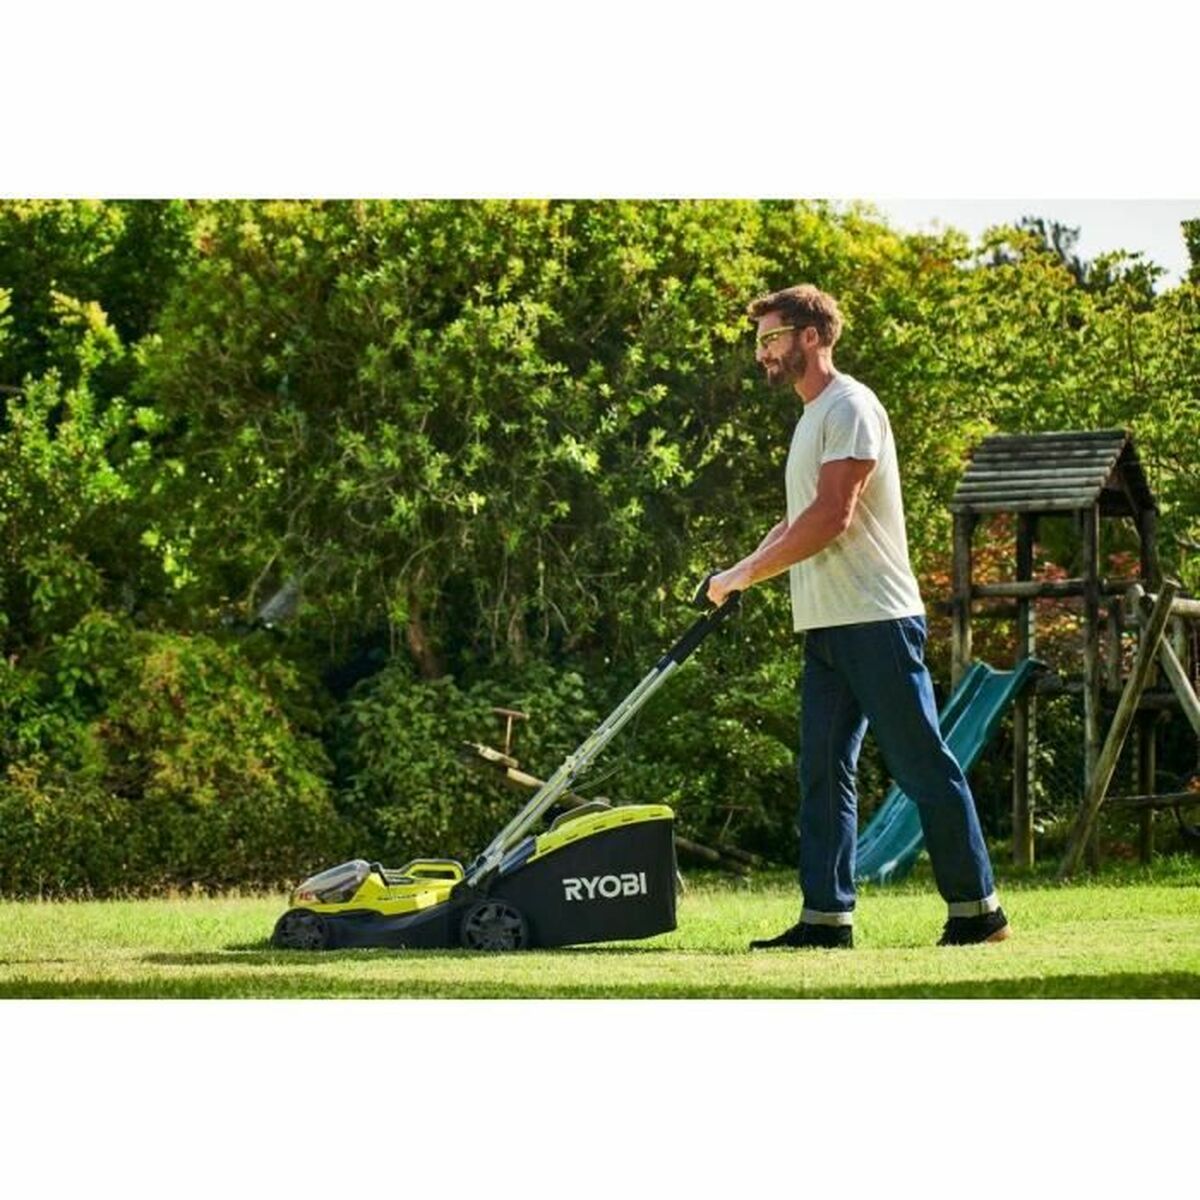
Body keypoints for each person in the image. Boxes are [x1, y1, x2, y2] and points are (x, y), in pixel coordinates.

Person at [705, 284, 1010, 949]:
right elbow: (795, 520)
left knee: (921, 765)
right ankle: (826, 919)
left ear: (811, 336)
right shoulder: (811, 417)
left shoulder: (851, 406)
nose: (761, 353)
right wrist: (736, 573)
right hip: (826, 625)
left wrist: (746, 575)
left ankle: (978, 913)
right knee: (820, 773)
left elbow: (831, 516)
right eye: (759, 342)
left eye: (770, 338)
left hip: (877, 619)